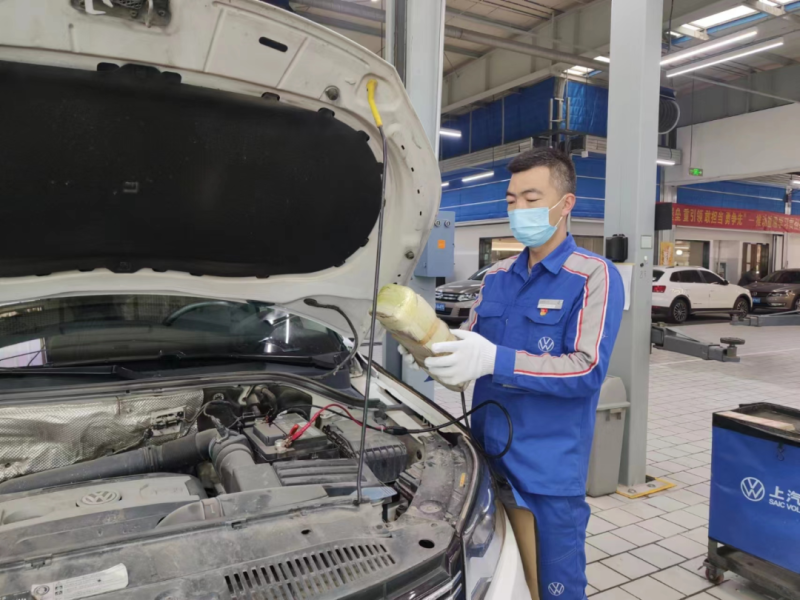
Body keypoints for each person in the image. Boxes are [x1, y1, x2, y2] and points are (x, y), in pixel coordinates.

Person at [402, 148, 624, 600]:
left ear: (565, 204)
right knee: (497, 581)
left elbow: (586, 368)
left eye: (531, 198)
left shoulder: (592, 276)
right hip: (483, 462)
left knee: (555, 589)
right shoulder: (497, 277)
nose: (518, 209)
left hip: (546, 473)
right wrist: (432, 353)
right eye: (511, 200)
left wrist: (494, 361)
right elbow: (471, 346)